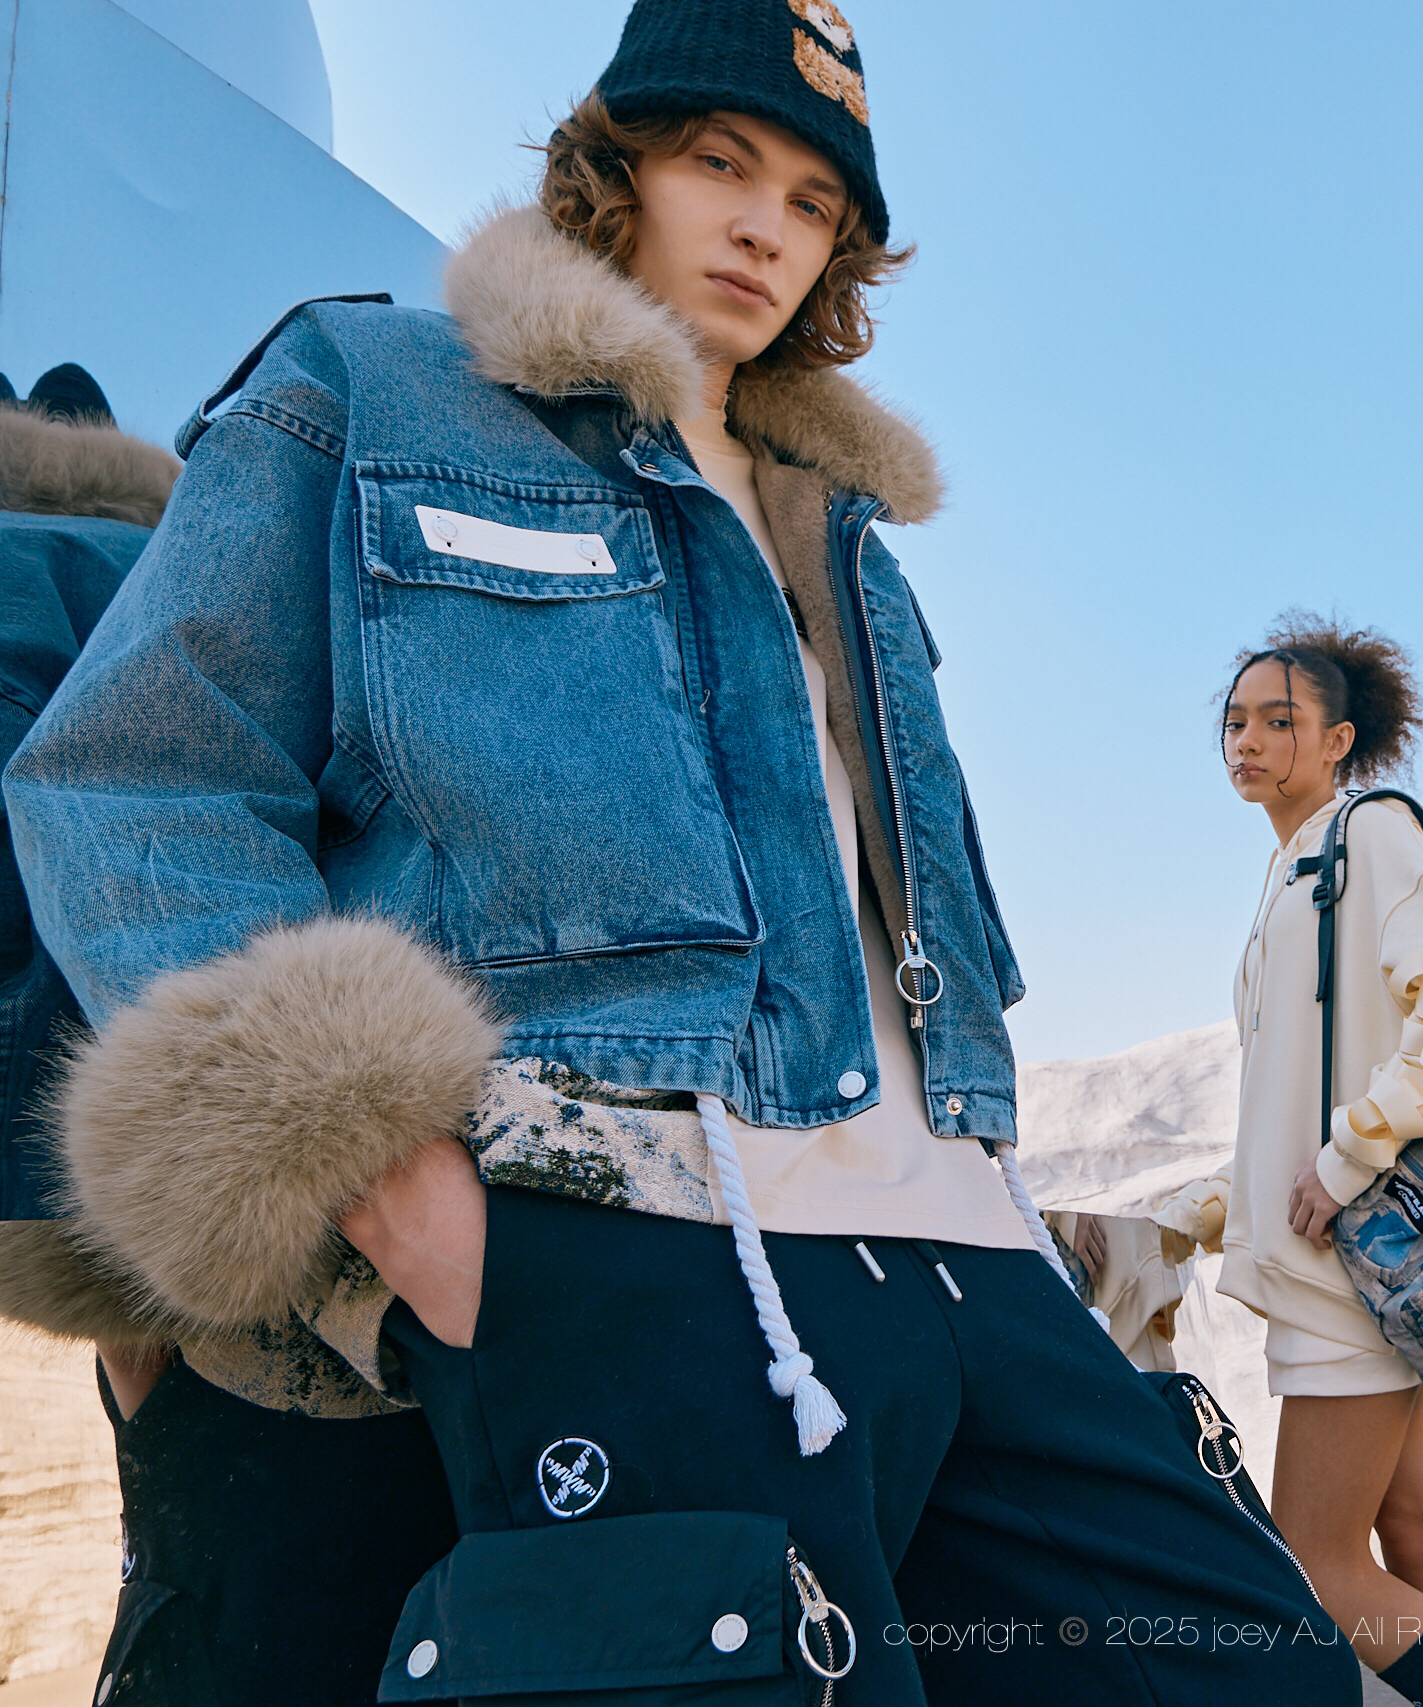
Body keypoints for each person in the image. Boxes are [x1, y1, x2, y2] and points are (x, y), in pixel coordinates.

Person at [5, 5, 1350, 1701]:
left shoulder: (843, 532)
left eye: (812, 202)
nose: (765, 226)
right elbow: (142, 774)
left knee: (1258, 1664)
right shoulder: (376, 391)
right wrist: (399, 1190)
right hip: (636, 1239)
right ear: (617, 165)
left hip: (962, 1249)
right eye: (723, 162)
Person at [0, 378, 458, 1706]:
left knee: (224, 1605)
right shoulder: (216, 575)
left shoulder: (22, 572)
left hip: (152, 1222)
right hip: (359, 1180)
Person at [1158, 615, 1423, 1706]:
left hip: (1356, 1259)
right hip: (1357, 1259)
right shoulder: (1292, 869)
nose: (1247, 740)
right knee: (1415, 1529)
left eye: (1278, 720)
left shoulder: (1369, 832)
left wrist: (1347, 1162)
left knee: (1313, 1564)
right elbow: (1303, 1084)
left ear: (1339, 740)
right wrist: (1220, 1204)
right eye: (1234, 722)